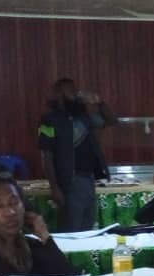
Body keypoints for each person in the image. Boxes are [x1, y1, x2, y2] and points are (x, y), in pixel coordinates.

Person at [38, 78, 117, 232]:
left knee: (88, 226)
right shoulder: (50, 120)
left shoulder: (84, 116)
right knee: (71, 228)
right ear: (60, 94)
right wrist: (55, 188)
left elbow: (111, 120)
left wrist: (99, 102)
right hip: (70, 181)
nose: (75, 93)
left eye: (75, 90)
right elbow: (47, 155)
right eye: (71, 90)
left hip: (89, 178)